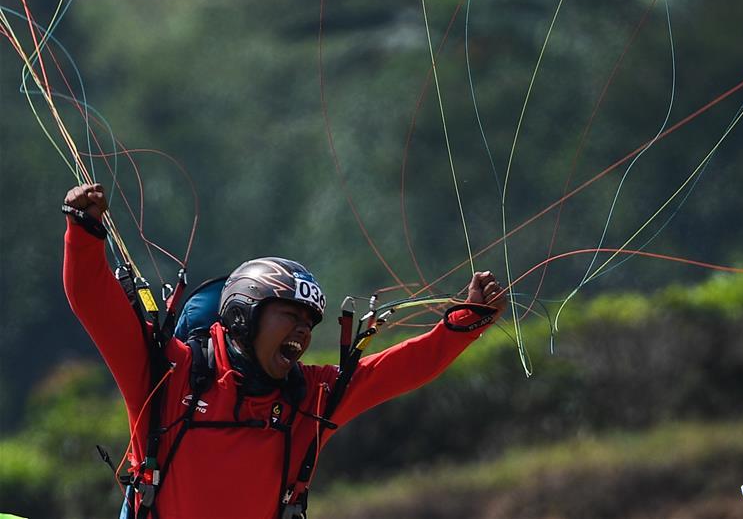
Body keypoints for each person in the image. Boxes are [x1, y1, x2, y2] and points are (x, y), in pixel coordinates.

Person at [62, 182, 507, 519]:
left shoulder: (312, 397)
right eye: (290, 315)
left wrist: (464, 323)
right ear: (243, 316)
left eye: (309, 321)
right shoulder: (167, 370)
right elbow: (96, 305)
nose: (303, 330)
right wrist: (83, 233)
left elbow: (400, 368)